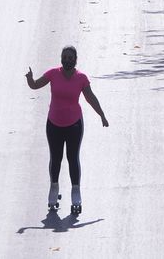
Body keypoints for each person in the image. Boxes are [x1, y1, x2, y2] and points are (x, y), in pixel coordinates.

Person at [25, 46, 109, 214]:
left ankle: (76, 192)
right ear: (61, 58)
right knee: (55, 158)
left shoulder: (81, 78)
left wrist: (102, 115)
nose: (67, 60)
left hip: (74, 125)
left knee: (72, 158)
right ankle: (54, 188)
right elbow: (35, 86)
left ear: (75, 59)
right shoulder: (53, 74)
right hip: (54, 124)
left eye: (71, 57)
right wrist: (29, 78)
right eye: (65, 57)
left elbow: (90, 98)